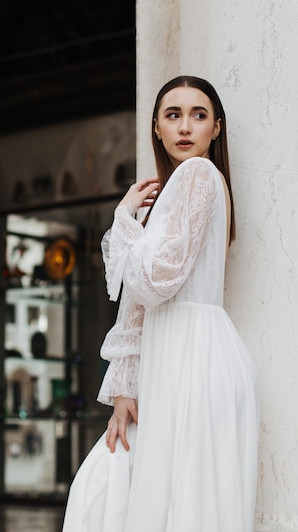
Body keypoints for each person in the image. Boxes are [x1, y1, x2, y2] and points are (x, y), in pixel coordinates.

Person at [62, 76, 259, 532]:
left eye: (199, 115)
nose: (185, 126)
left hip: (191, 359)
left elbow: (154, 282)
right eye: (173, 115)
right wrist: (125, 386)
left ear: (217, 128)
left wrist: (124, 220)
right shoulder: (180, 189)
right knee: (160, 500)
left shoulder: (198, 174)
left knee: (169, 504)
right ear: (156, 126)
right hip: (178, 356)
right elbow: (139, 301)